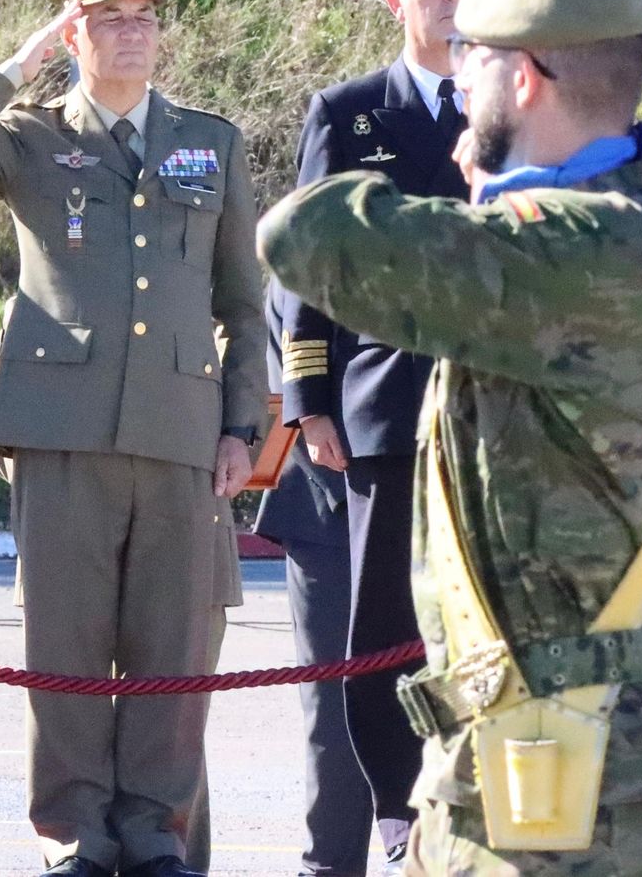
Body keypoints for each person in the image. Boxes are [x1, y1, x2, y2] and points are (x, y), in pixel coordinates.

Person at [259, 0, 642, 875]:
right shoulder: (601, 229)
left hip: (577, 794)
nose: (458, 84)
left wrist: (487, 182)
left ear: (527, 77)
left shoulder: (573, 249)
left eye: (474, 59)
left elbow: (304, 234)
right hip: (528, 765)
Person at [0, 0, 266, 877]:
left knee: (172, 648)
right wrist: (16, 68)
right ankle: (77, 837)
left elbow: (240, 299)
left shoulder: (209, 141)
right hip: (62, 429)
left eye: (145, 15)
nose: (132, 31)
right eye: (109, 17)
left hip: (181, 432)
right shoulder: (32, 136)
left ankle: (155, 834)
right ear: (74, 32)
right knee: (62, 646)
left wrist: (242, 427)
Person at [279, 0, 499, 872]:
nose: (453, 7)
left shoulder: (513, 104)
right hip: (384, 407)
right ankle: (393, 810)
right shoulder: (351, 111)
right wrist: (310, 401)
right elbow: (308, 267)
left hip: (492, 412)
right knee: (381, 626)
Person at [250, 280, 372, 877]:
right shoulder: (327, 216)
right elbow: (294, 332)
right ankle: (329, 865)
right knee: (335, 706)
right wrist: (316, 414)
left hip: (428, 495)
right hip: (331, 495)